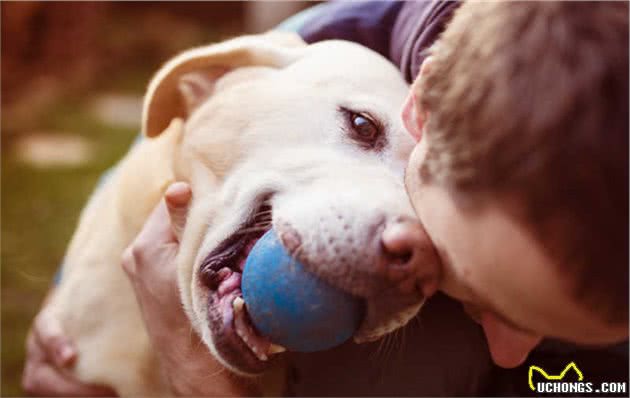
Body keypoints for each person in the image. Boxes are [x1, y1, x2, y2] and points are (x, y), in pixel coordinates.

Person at [23, 0, 628, 395]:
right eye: (363, 130)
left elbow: (575, 382)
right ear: (426, 101)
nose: (512, 354)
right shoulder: (326, 47)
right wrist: (68, 300)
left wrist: (200, 382)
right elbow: (167, 146)